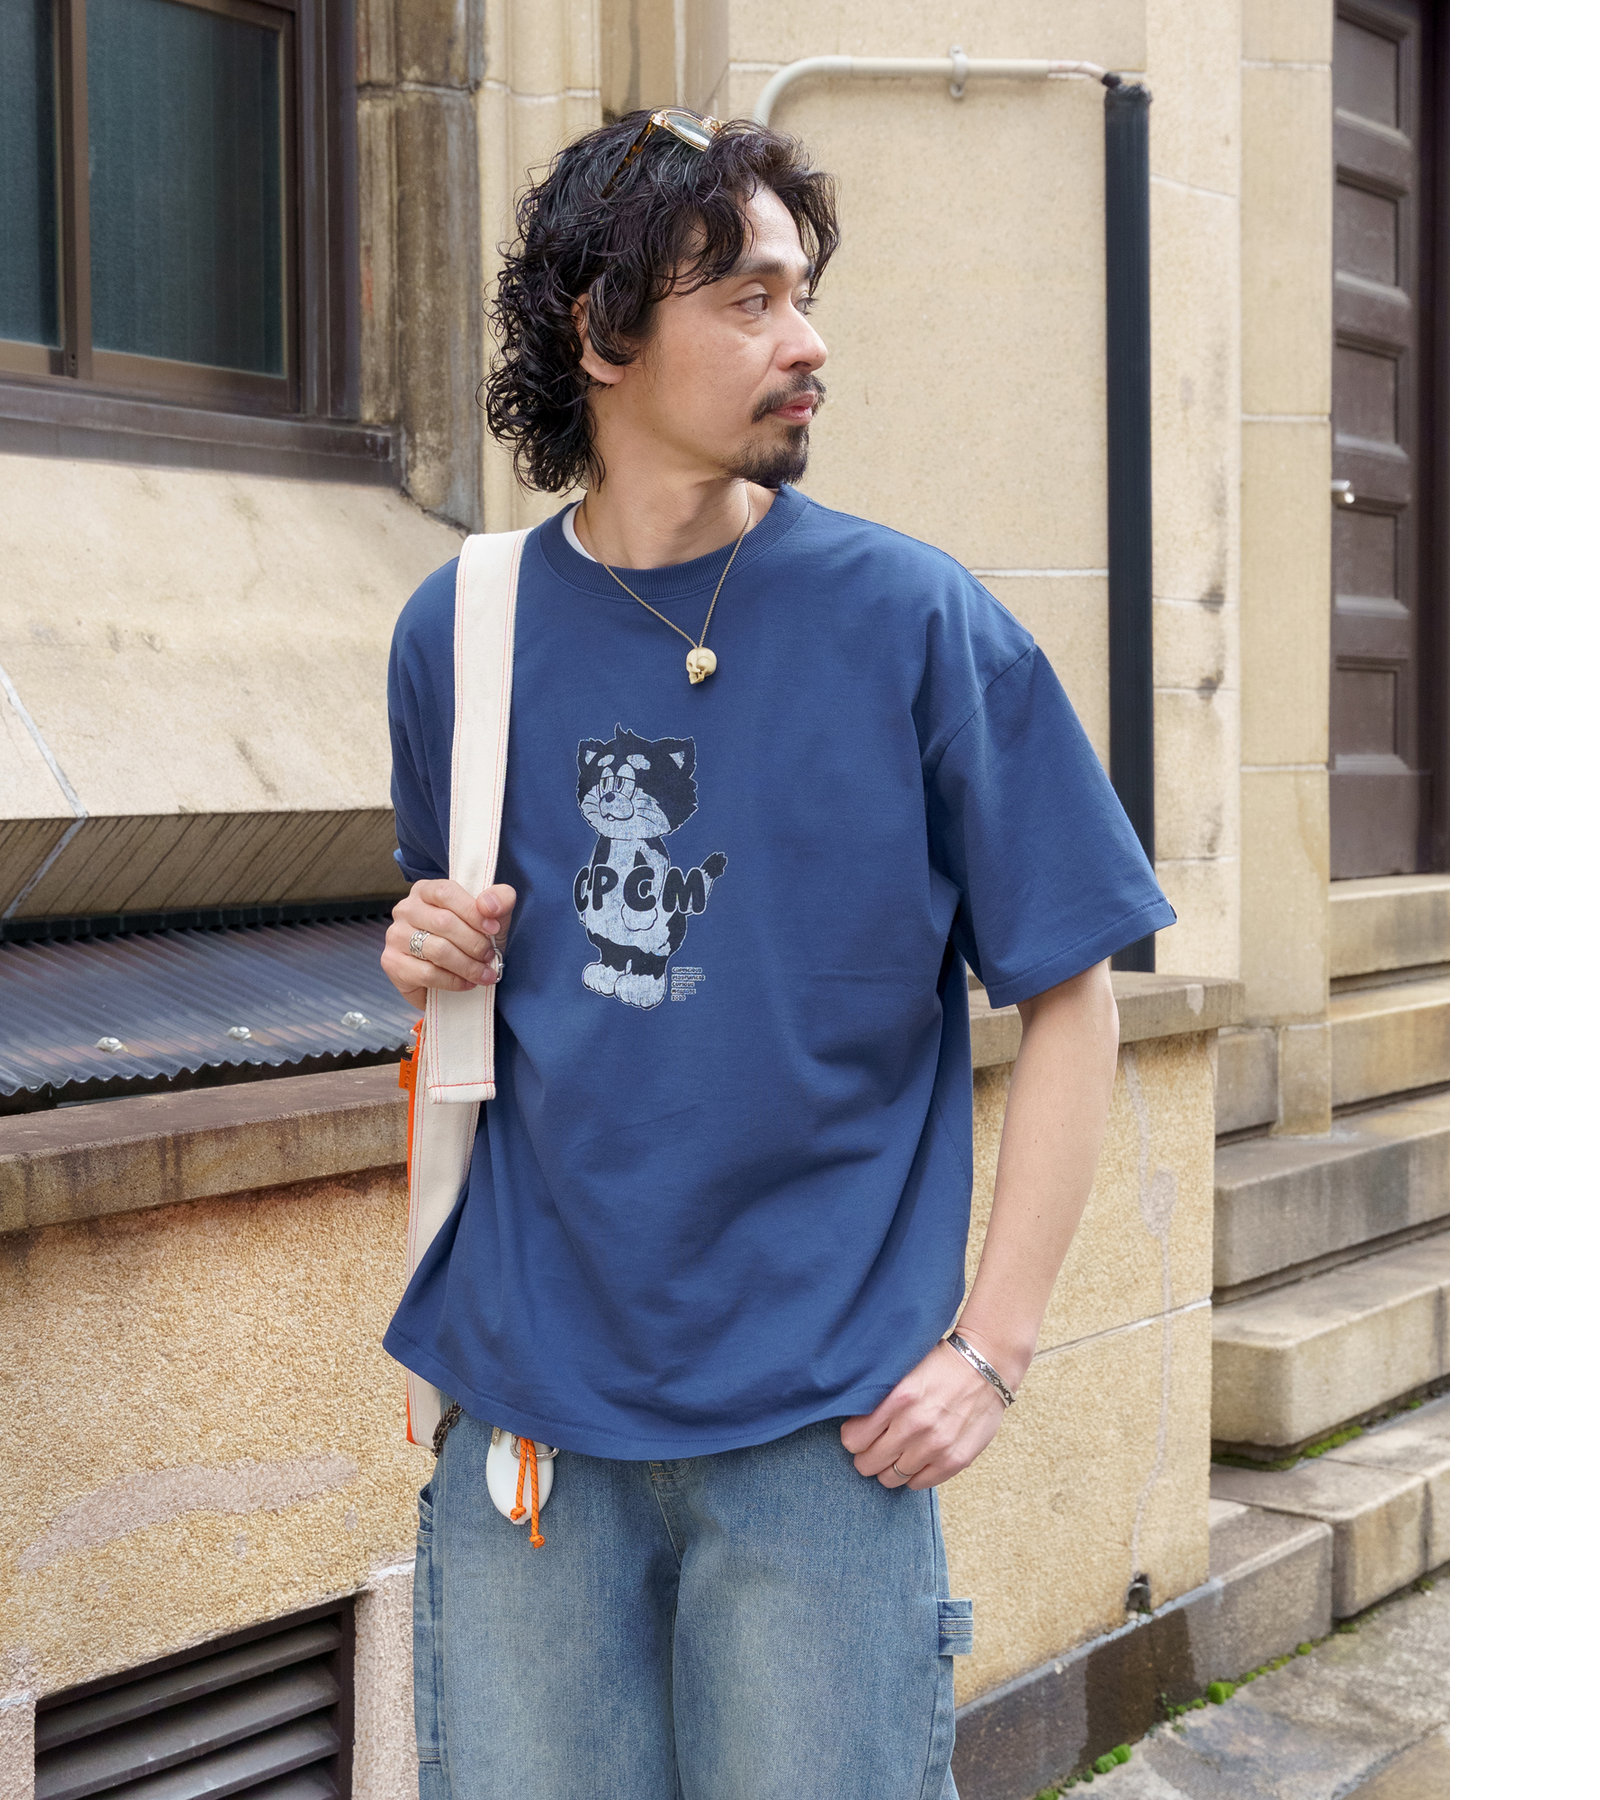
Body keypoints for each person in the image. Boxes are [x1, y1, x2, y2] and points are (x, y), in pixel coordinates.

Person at [379, 110, 1174, 1800]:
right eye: (746, 300)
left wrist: (994, 1350)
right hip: (530, 1429)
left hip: (826, 1439)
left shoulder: (916, 622)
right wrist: (428, 944)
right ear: (604, 335)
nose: (805, 342)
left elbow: (1073, 990)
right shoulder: (465, 630)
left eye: (802, 294)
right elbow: (500, 980)